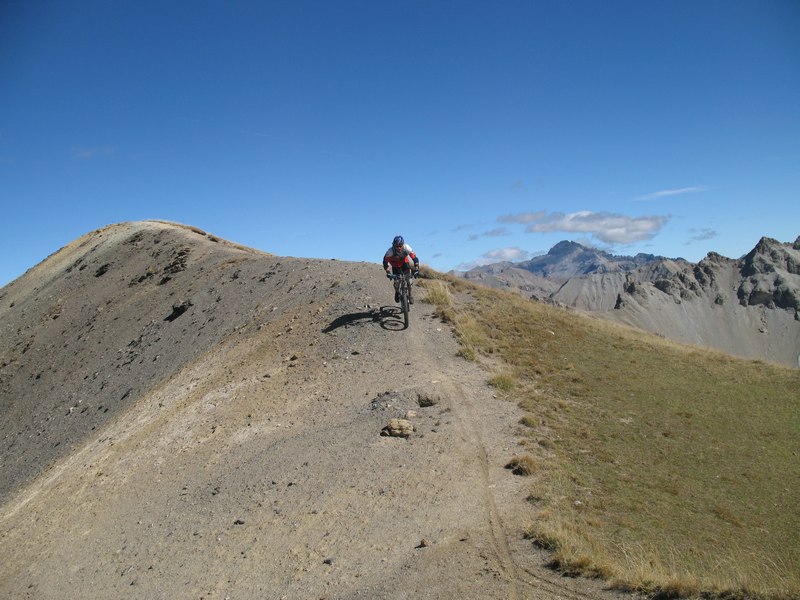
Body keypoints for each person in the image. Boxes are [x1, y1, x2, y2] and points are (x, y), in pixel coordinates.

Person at [383, 235, 420, 303]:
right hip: (395, 266)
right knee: (396, 282)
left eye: (400, 245)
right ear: (393, 245)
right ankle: (397, 292)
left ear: (403, 244)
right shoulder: (390, 251)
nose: (399, 248)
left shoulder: (407, 248)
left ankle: (410, 294)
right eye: (397, 246)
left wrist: (417, 269)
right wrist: (388, 272)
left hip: (405, 264)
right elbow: (385, 262)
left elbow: (415, 258)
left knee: (409, 281)